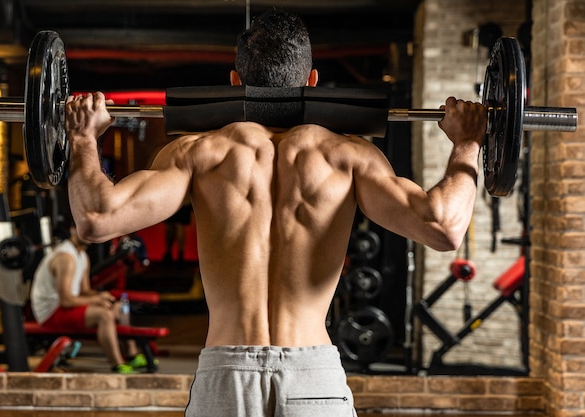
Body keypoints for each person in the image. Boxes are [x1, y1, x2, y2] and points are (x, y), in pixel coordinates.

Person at [64, 9, 486, 417]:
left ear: (235, 82)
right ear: (311, 80)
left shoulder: (200, 153)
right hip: (312, 376)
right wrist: (467, 142)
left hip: (227, 376)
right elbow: (444, 227)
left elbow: (96, 218)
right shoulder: (349, 155)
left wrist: (83, 137)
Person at [30, 221, 147, 374]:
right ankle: (117, 364)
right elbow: (66, 301)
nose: (86, 234)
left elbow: (84, 290)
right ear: (72, 230)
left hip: (66, 306)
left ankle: (132, 355)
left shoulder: (82, 256)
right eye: (81, 229)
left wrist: (102, 296)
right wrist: (96, 300)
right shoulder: (66, 258)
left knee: (119, 307)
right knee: (103, 315)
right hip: (50, 312)